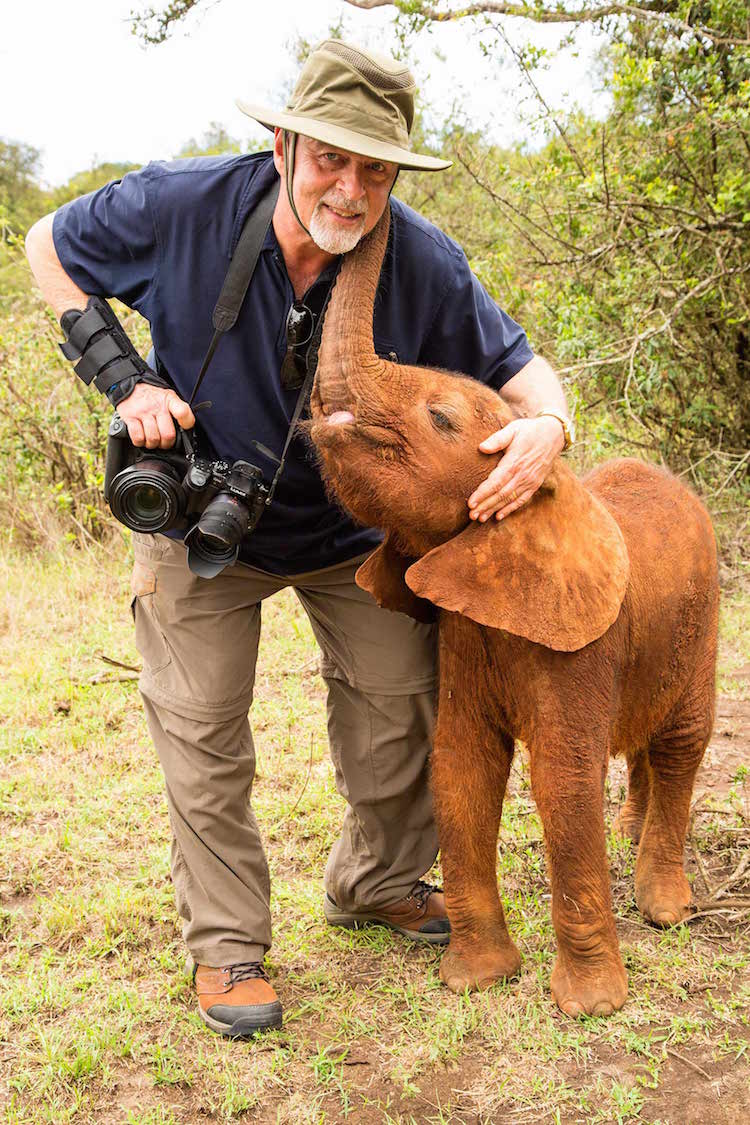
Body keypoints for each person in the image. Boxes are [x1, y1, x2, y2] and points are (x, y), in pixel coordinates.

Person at [25, 39, 572, 1038]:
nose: (351, 188)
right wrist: (123, 379)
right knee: (200, 731)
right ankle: (229, 947)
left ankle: (375, 881)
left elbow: (528, 376)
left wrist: (549, 428)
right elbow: (44, 244)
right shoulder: (178, 205)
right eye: (331, 157)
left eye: (375, 167)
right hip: (205, 519)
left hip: (348, 529)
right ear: (282, 142)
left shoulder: (420, 256)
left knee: (404, 707)